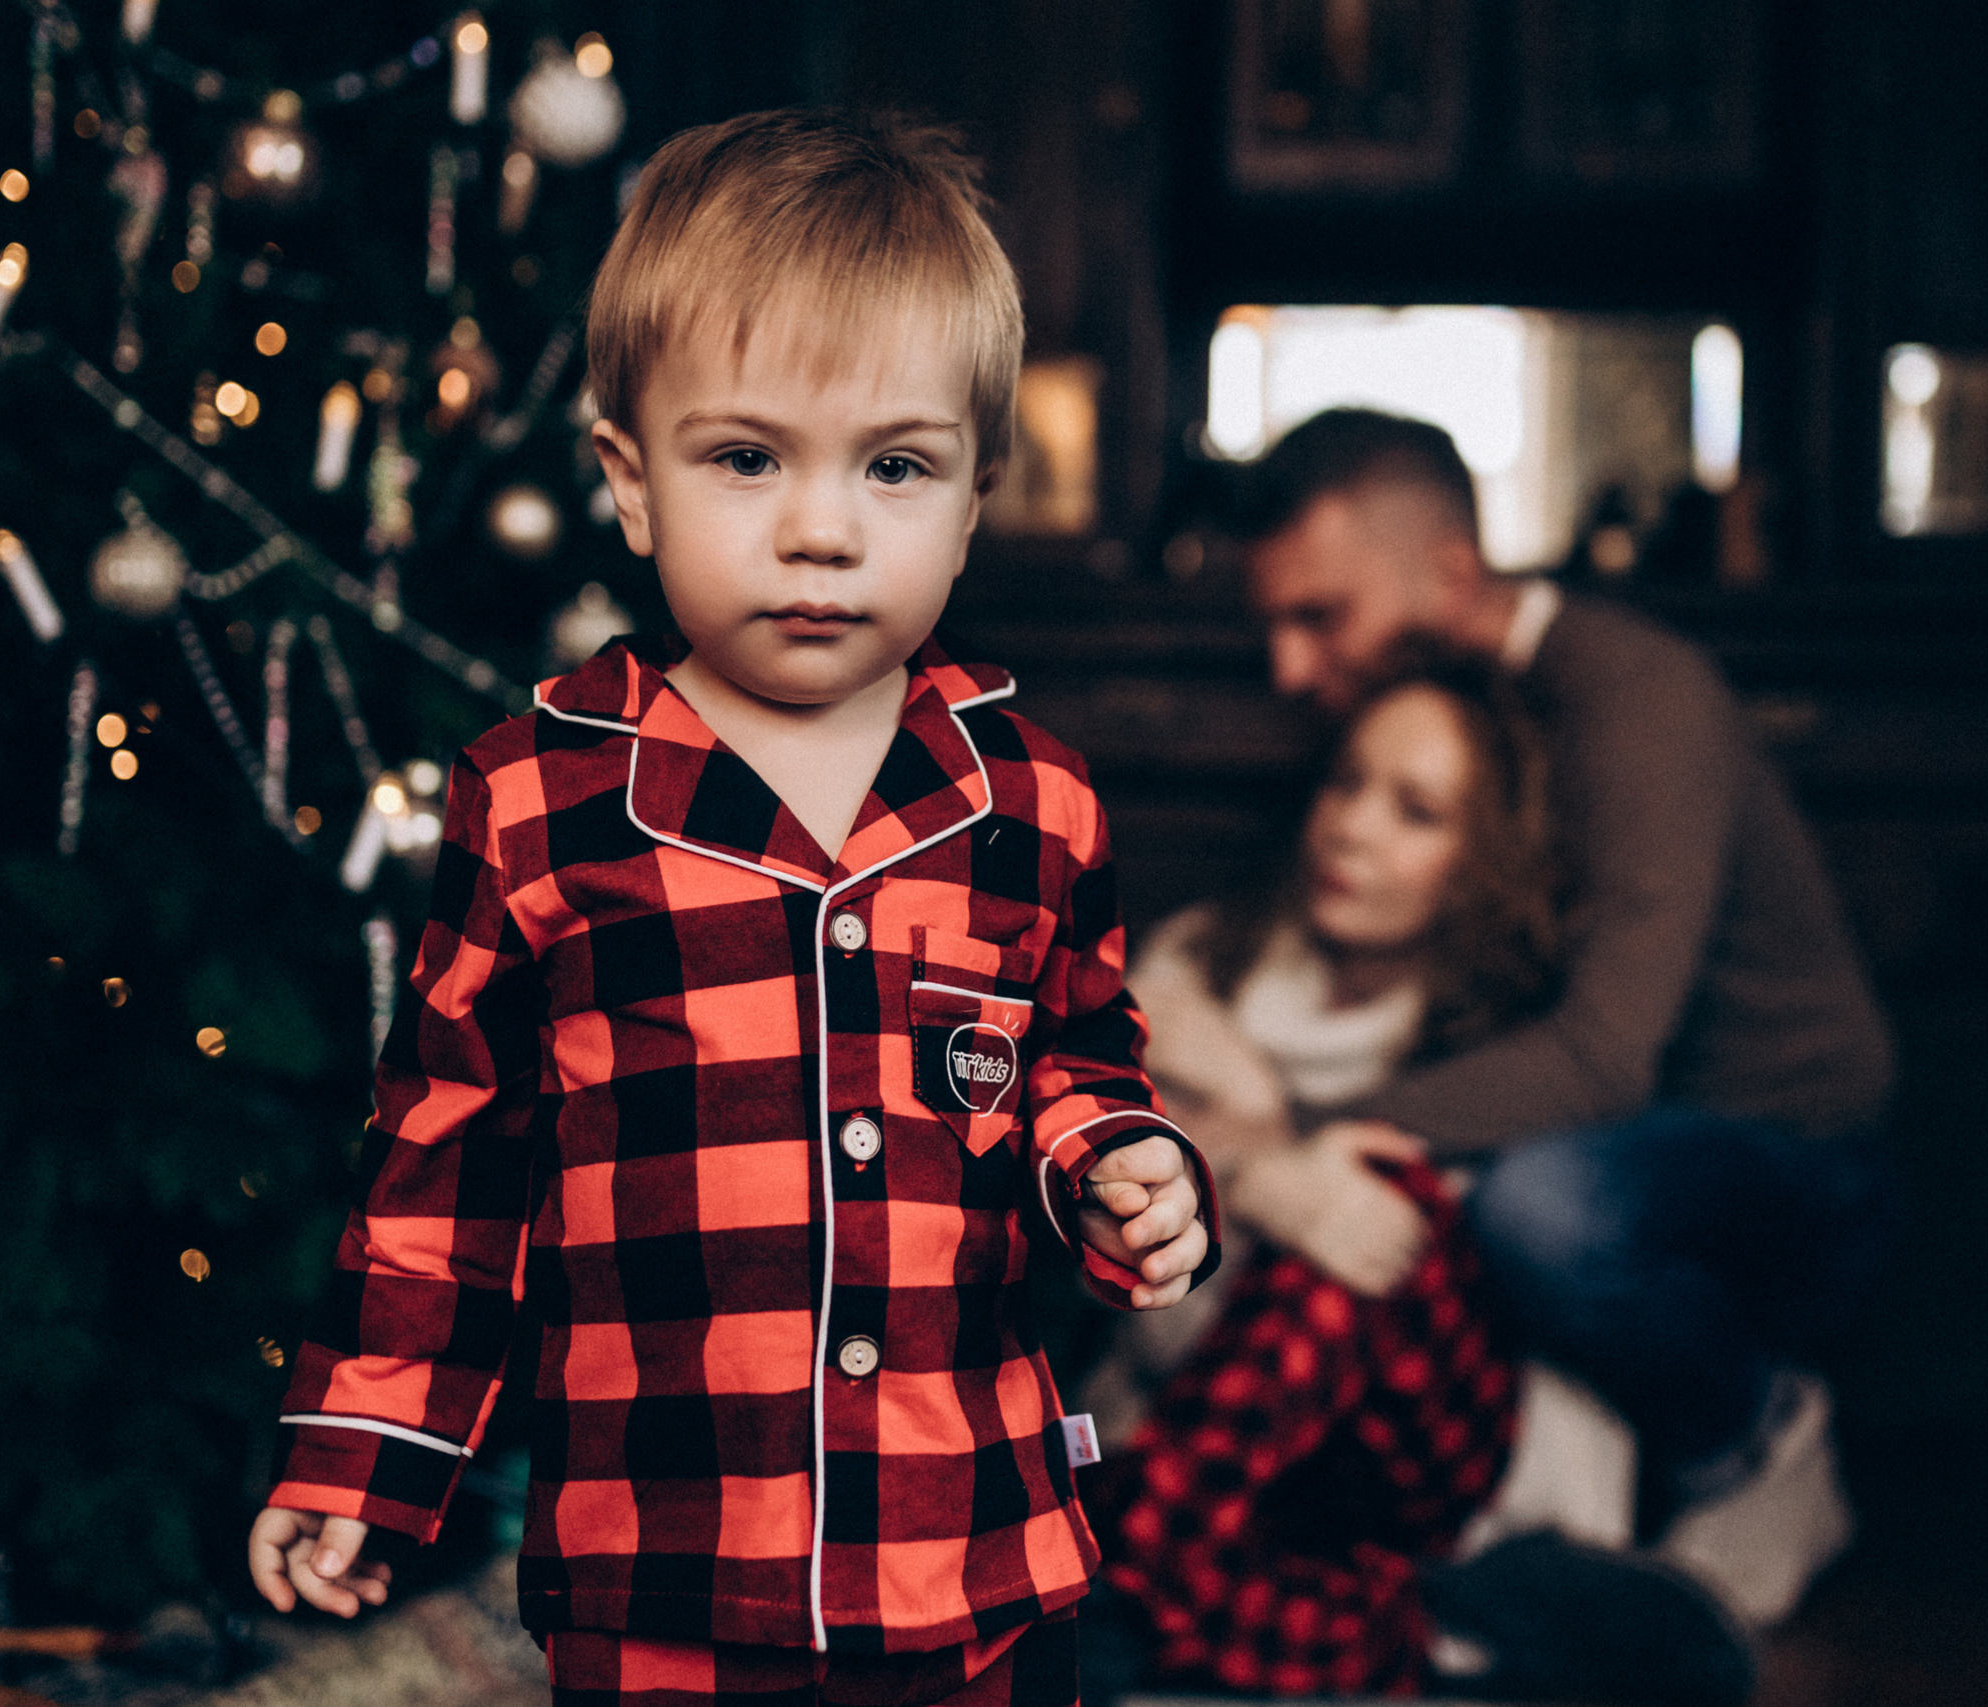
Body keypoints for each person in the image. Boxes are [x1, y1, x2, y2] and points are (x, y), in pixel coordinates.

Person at [243, 110, 1219, 1707]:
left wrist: (1119, 1165)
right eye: (747, 458)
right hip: (666, 1569)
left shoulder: (1033, 802)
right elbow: (448, 1166)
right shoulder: (539, 803)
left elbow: (1073, 1060)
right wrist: (363, 1456)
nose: (823, 528)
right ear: (631, 483)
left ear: (974, 501)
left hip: (969, 1554)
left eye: (896, 466)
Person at [1232, 408, 1899, 1624]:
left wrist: (1286, 1136)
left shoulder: (1638, 700)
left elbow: (1599, 1063)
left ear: (1449, 572)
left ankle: (1758, 1436)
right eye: (1273, 623)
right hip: (1611, 1133)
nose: (1287, 669)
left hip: (1788, 1159)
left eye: (1319, 617)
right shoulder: (1447, 714)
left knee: (1533, 1207)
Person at [1079, 648, 1755, 1707]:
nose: (1351, 828)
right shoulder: (1193, 974)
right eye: (1346, 783)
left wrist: (1295, 1174)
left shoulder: (1500, 1041)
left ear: (1486, 859)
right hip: (1219, 1443)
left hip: (1418, 1452)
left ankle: (1128, 1564)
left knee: (1379, 1196)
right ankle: (1427, 1632)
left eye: (1417, 812)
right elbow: (1073, 1159)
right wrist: (1253, 1166)